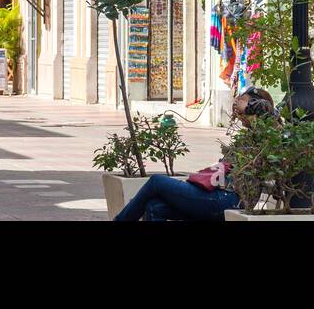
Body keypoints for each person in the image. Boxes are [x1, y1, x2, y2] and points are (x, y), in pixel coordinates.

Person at [114, 88, 278, 222]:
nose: (237, 108)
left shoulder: (266, 133)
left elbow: (266, 109)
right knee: (154, 207)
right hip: (215, 194)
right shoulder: (250, 136)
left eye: (242, 101)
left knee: (156, 182)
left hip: (228, 200)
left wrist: (247, 105)